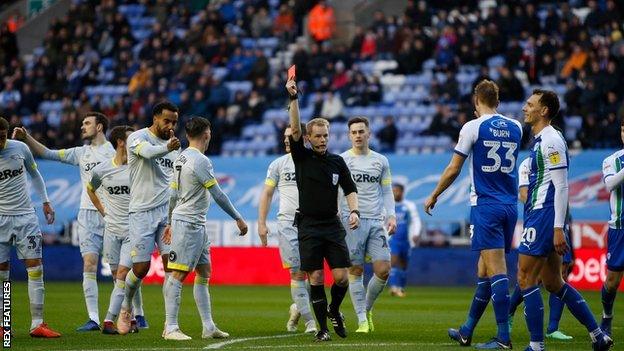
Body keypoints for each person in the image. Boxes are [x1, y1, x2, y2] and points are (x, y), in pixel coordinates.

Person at [424, 80, 522, 349]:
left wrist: (434, 194)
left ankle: (503, 338)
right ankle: (467, 330)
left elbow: (455, 168)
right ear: (498, 101)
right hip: (509, 206)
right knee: (484, 269)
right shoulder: (515, 127)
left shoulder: (472, 127)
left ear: (476, 101)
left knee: (497, 269)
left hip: (486, 206)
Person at [517, 89, 612, 351]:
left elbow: (562, 187)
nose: (525, 108)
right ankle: (598, 335)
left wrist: (559, 227)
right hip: (543, 215)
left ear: (544, 110)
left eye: (530, 104)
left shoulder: (551, 140)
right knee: (553, 282)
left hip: (544, 215)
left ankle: (536, 345)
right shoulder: (541, 139)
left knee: (525, 278)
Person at [13, 112, 116, 331]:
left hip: (112, 214)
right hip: (87, 214)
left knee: (118, 269)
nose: (82, 126)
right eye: (82, 123)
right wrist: (27, 138)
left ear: (99, 127)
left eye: (87, 123)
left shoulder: (115, 151)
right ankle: (94, 318)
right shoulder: (81, 153)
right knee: (89, 263)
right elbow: (48, 153)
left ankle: (127, 316)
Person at [286, 77, 360, 342]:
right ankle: (322, 329)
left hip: (332, 224)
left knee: (341, 278)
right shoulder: (301, 157)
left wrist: (354, 212)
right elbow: (294, 128)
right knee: (315, 276)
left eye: (325, 135)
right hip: (307, 225)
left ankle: (334, 310)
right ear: (308, 138)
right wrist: (294, 98)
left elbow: (350, 188)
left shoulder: (337, 162)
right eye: (317, 136)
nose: (322, 140)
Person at [162, 117, 248, 340]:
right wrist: (238, 217)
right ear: (207, 134)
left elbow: (172, 194)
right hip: (188, 223)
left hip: (195, 223)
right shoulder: (200, 161)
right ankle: (170, 327)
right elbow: (218, 194)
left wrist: (170, 221)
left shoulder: (180, 158)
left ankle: (208, 327)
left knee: (204, 273)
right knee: (178, 274)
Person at [117, 101, 181, 335]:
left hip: (165, 215)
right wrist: (168, 148)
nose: (171, 125)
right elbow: (148, 153)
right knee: (141, 268)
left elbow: (174, 180)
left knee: (172, 267)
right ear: (155, 118)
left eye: (174, 121)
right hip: (141, 212)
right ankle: (126, 307)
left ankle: (171, 325)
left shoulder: (174, 147)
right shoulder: (137, 137)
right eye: (167, 120)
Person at [0, 117, 60, 337]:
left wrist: (45, 201)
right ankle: (4, 325)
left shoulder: (20, 148)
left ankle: (37, 324)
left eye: (3, 136)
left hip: (26, 216)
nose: (1, 142)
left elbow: (35, 173)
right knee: (2, 275)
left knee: (35, 268)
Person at [86, 125, 148, 334]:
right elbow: (90, 188)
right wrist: (102, 210)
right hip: (111, 231)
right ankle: (128, 318)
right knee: (118, 279)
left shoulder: (138, 168)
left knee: (123, 275)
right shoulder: (102, 169)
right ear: (121, 142)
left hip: (133, 230)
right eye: (131, 139)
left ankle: (108, 321)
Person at [257, 124, 317, 334]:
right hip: (288, 223)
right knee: (298, 272)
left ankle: (298, 307)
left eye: (290, 136)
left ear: (303, 138)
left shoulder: (315, 160)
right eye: (284, 136)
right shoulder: (278, 164)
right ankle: (310, 322)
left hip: (314, 223)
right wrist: (261, 223)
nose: (285, 140)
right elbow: (267, 193)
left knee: (315, 274)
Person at [339, 116, 396, 333]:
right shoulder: (343, 159)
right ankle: (362, 320)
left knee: (383, 269)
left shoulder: (381, 160)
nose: (357, 135)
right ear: (349, 135)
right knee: (355, 269)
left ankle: (366, 309)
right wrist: (338, 215)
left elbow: (387, 190)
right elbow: (338, 190)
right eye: (353, 132)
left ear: (369, 134)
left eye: (361, 131)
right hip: (352, 220)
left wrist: (391, 215)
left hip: (376, 219)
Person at [507, 157, 573, 341]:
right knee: (532, 277)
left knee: (562, 273)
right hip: (538, 222)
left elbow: (563, 194)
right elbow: (523, 194)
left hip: (560, 222)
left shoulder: (559, 162)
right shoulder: (528, 163)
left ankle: (553, 328)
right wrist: (545, 208)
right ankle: (509, 312)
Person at [600, 117, 624, 337]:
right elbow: (609, 184)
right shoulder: (612, 160)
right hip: (620, 228)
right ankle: (607, 317)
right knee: (612, 281)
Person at [388, 182, 421, 297]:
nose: (394, 193)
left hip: (406, 241)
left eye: (397, 191)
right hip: (393, 240)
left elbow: (416, 221)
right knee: (393, 262)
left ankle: (400, 287)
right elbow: (383, 222)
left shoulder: (409, 205)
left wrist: (416, 234)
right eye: (393, 191)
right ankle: (393, 287)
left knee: (403, 265)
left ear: (402, 192)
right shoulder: (388, 206)